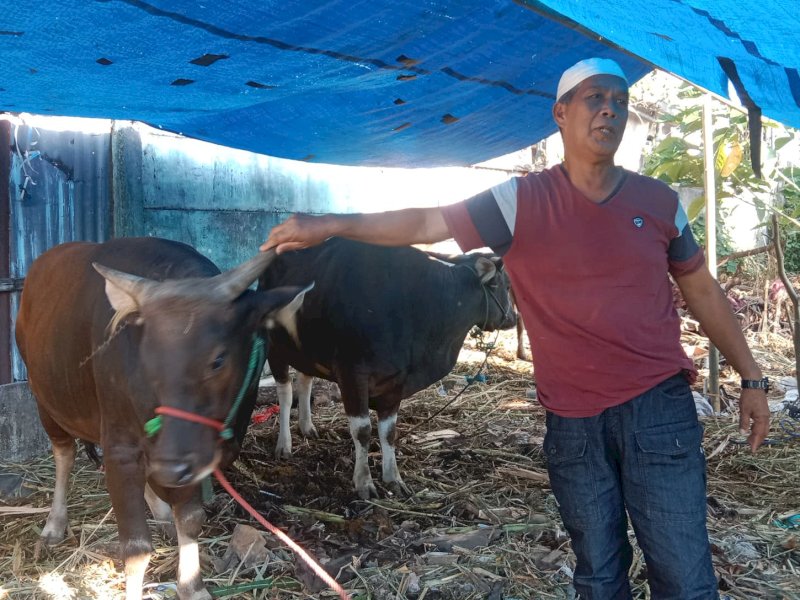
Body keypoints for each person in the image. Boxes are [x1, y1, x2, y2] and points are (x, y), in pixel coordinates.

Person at [261, 57, 771, 599]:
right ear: (560, 113)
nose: (609, 110)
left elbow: (702, 290)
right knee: (598, 574)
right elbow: (426, 223)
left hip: (658, 412)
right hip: (573, 421)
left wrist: (753, 377)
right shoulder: (518, 201)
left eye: (619, 101)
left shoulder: (661, 202)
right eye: (595, 98)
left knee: (684, 573)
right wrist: (330, 225)